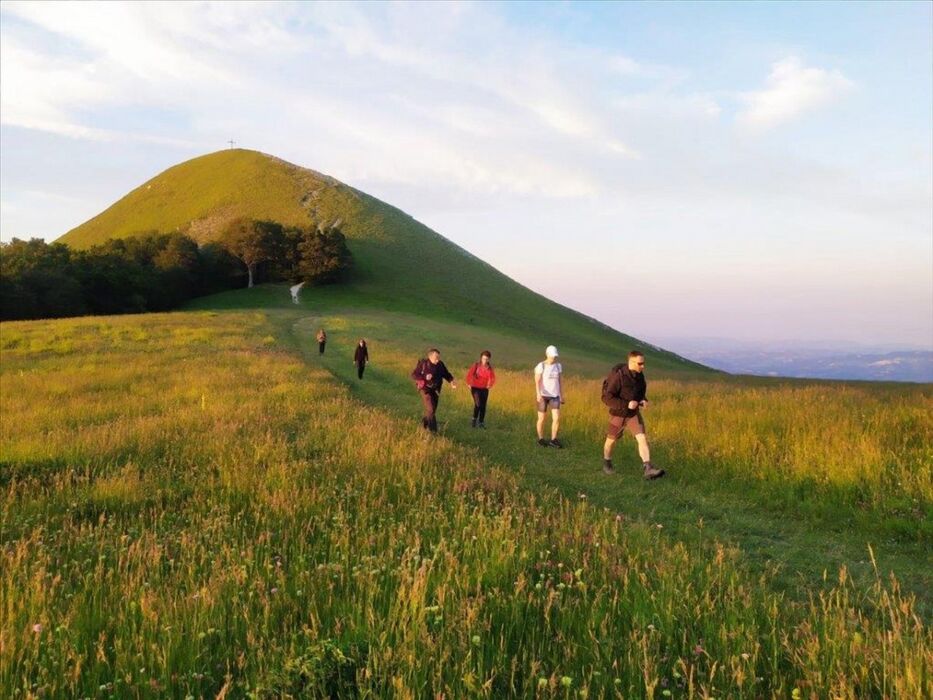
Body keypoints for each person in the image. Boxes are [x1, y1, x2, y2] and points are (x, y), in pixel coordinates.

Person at [601, 350, 665, 479]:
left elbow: (641, 393)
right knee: (611, 441)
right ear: (631, 362)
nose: (643, 366)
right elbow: (606, 398)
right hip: (618, 414)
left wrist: (644, 400)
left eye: (644, 363)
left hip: (633, 415)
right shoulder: (618, 376)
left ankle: (648, 468)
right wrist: (626, 404)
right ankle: (607, 462)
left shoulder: (640, 376)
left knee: (642, 438)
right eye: (640, 363)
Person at [411, 348, 457, 433]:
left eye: (439, 357)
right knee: (431, 410)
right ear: (430, 357)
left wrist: (451, 381)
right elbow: (414, 375)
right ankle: (433, 431)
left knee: (432, 410)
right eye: (436, 358)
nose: (438, 359)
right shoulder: (423, 364)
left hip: (436, 390)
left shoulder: (440, 365)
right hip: (425, 390)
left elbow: (446, 374)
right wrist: (424, 378)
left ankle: (424, 424)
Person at [534, 345, 564, 447]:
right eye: (552, 356)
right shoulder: (541, 366)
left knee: (556, 418)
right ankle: (541, 438)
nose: (554, 358)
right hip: (543, 396)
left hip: (555, 396)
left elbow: (560, 381)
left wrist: (561, 395)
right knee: (541, 418)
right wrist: (538, 394)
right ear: (547, 355)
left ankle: (553, 439)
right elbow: (537, 381)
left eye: (555, 356)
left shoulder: (558, 366)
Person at [465, 350, 496, 428]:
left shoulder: (489, 368)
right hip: (475, 388)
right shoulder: (476, 365)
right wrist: (469, 383)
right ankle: (474, 419)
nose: (485, 360)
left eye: (486, 359)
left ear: (489, 359)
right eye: (484, 358)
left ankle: (481, 422)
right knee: (478, 404)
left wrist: (490, 385)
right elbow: (469, 374)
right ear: (481, 358)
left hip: (484, 389)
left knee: (483, 406)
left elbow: (492, 378)